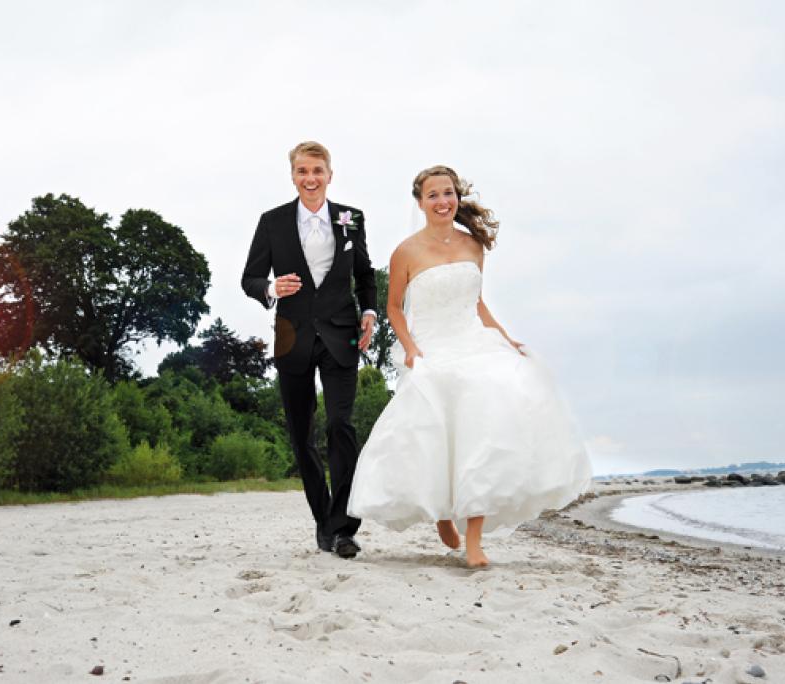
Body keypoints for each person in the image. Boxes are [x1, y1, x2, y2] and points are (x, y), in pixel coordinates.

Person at [347, 165, 592, 568]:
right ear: (421, 202)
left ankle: (474, 539)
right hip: (430, 346)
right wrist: (409, 348)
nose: (442, 201)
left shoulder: (473, 245)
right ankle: (443, 513)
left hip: (470, 339)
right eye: (433, 195)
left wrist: (505, 338)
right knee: (440, 425)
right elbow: (393, 307)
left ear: (456, 198)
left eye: (448, 193)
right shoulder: (405, 252)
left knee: (492, 405)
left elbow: (477, 303)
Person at [241, 141, 377, 559]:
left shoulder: (351, 219)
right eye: (302, 171)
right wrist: (270, 288)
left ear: (330, 174)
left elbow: (365, 274)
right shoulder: (272, 222)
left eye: (317, 170)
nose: (310, 178)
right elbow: (249, 278)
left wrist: (370, 310)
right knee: (303, 436)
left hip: (341, 336)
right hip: (292, 336)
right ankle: (323, 523)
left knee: (341, 426)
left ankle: (345, 528)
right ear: (293, 176)